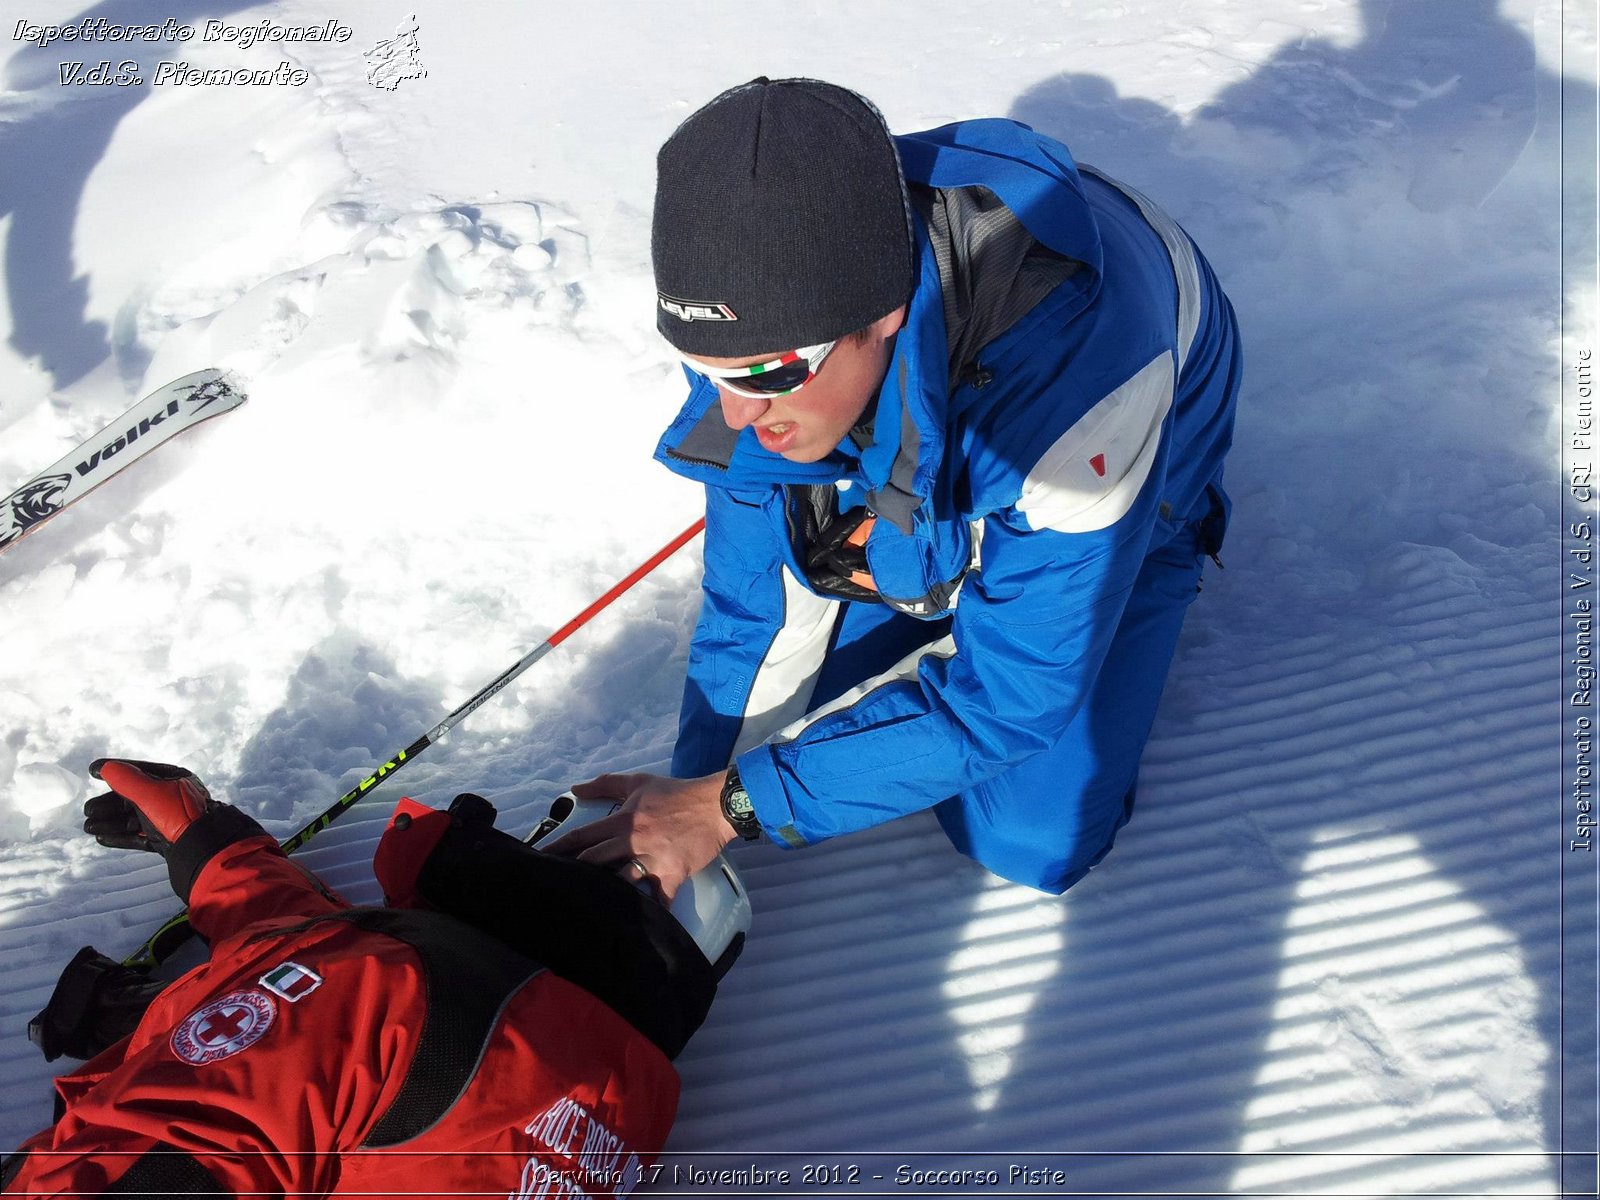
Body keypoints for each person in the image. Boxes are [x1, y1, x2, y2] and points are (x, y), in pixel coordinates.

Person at [553, 77, 1241, 899]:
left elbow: (1013, 699)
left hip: (1131, 461)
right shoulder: (761, 340)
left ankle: (1111, 575)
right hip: (914, 401)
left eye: (764, 375)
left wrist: (732, 807)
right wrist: (693, 790)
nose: (735, 412)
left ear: (880, 316)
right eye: (704, 368)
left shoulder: (1079, 409)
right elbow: (757, 605)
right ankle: (929, 556)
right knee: (814, 696)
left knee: (1025, 835)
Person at [3, 759, 747, 1199]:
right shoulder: (604, 1106)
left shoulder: (390, 994)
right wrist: (211, 848)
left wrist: (210, 842)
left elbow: (189, 1129)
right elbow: (302, 973)